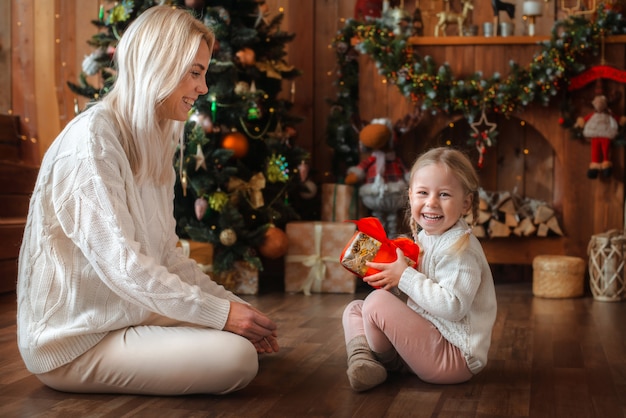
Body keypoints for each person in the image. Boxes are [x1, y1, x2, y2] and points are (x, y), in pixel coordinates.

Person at [16, 5, 278, 396]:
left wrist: (236, 309)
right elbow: (125, 267)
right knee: (236, 359)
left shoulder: (153, 143)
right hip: (73, 342)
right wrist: (221, 316)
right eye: (194, 72)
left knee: (247, 333)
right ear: (159, 65)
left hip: (125, 313)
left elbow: (168, 257)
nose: (203, 88)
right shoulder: (91, 142)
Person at [342, 147, 497, 392]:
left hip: (454, 356)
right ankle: (362, 361)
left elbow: (453, 307)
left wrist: (403, 276)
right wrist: (391, 281)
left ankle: (385, 361)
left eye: (444, 194)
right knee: (355, 309)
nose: (431, 202)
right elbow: (416, 298)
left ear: (466, 203)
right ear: (411, 196)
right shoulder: (425, 238)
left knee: (375, 303)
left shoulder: (461, 250)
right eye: (423, 193)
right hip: (427, 342)